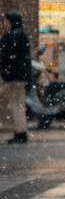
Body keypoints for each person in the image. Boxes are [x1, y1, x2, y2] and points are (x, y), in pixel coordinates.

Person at [0, 11, 32, 145]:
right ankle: (21, 131)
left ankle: (20, 131)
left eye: (6, 21)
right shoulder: (21, 36)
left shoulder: (11, 37)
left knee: (14, 104)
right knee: (17, 104)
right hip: (18, 77)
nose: (4, 24)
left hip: (12, 77)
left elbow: (4, 57)